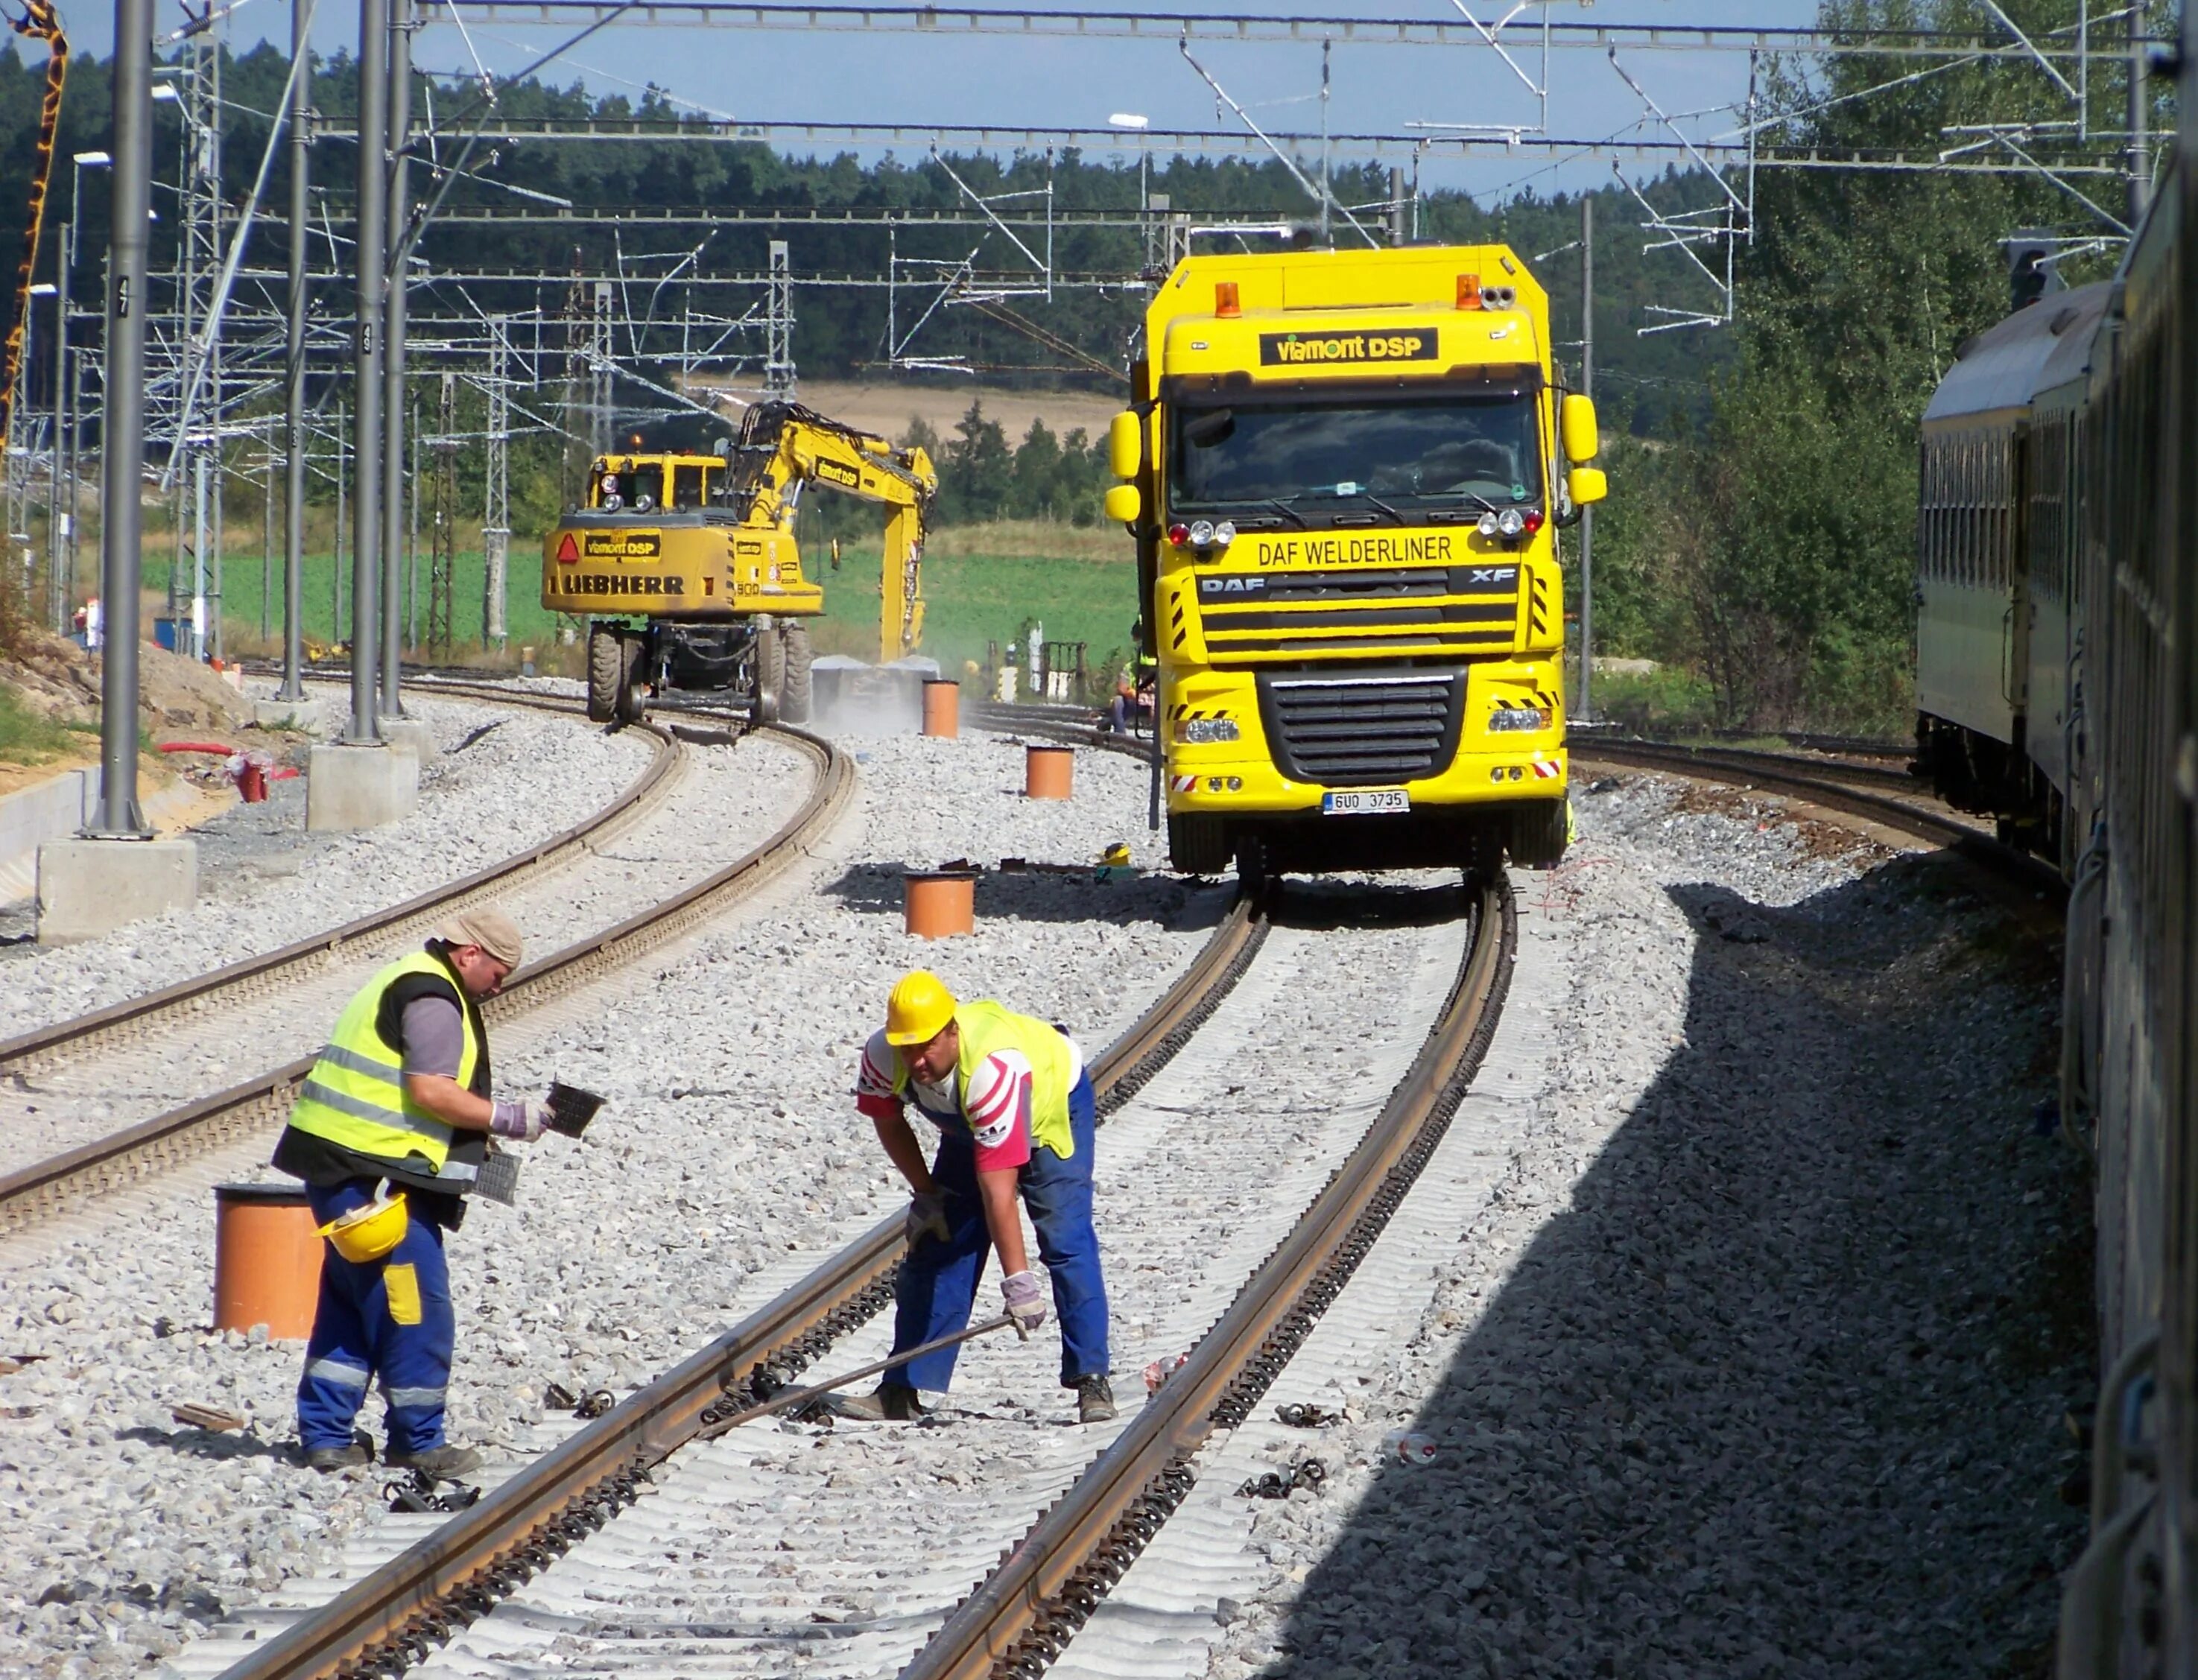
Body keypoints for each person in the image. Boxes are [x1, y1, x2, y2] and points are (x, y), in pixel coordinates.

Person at [270, 906, 554, 1477]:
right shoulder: (433, 996)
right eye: (497, 974)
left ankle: (326, 1435)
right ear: (469, 953)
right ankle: (418, 1441)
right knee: (415, 1307)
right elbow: (430, 1090)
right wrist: (508, 1117)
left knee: (353, 1303)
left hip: (343, 1166)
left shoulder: (413, 977)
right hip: (373, 1176)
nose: (499, 988)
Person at [844, 971, 1115, 1424]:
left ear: (952, 1031)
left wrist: (1018, 1286)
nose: (916, 1060)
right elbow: (889, 1122)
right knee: (941, 1236)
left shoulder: (993, 1069)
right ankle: (901, 1387)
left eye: (926, 1046)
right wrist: (927, 1195)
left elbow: (999, 1191)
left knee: (1065, 1241)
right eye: (907, 1048)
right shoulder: (882, 1054)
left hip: (1050, 1106)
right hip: (970, 1118)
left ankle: (1091, 1380)